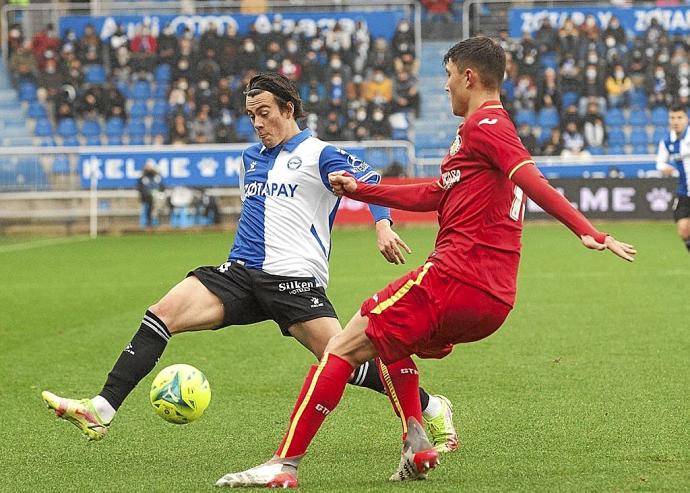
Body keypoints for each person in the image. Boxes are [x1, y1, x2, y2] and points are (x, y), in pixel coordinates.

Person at [215, 37, 637, 489]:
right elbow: (434, 194)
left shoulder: (486, 126)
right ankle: (417, 439)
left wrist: (585, 230)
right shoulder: (480, 133)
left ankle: (285, 464)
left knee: (340, 347)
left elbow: (529, 176)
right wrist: (362, 191)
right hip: (493, 300)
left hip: (454, 279)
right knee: (390, 340)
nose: (446, 86)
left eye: (449, 76)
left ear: (469, 77)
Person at [41, 73, 457, 453]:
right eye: (251, 115)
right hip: (239, 275)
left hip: (294, 281)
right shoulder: (251, 157)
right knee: (161, 313)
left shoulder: (320, 154)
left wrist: (382, 226)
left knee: (346, 363)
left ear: (287, 110)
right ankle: (101, 409)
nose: (257, 123)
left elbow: (371, 181)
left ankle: (431, 407)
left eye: (264, 113)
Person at [655, 104, 690, 253]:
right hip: (684, 191)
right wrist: (669, 169)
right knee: (683, 230)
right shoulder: (667, 141)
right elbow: (659, 163)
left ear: (687, 119)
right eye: (672, 118)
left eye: (679, 117)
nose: (676, 121)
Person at [137, 162, 165, 227]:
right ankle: (149, 221)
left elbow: (162, 187)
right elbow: (140, 188)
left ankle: (156, 219)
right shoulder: (142, 177)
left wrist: (158, 192)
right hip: (146, 197)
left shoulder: (156, 176)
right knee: (150, 203)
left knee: (160, 200)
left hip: (157, 196)